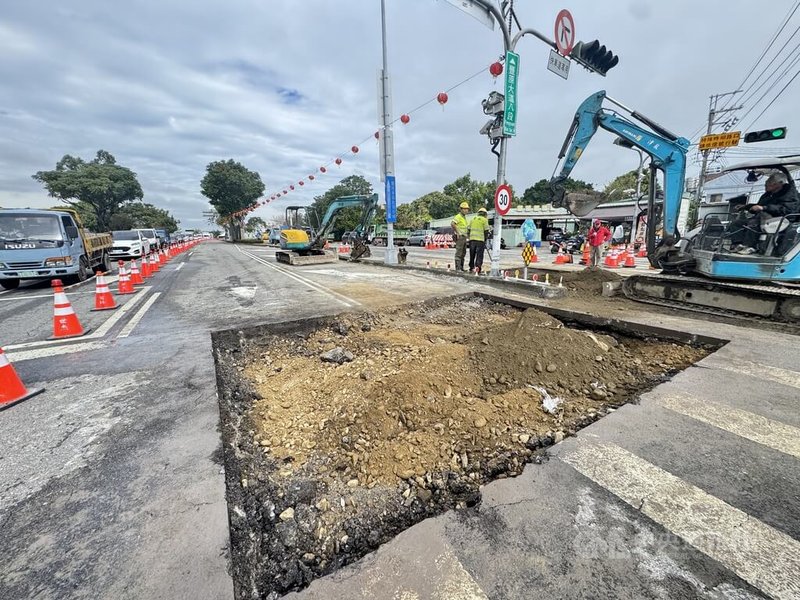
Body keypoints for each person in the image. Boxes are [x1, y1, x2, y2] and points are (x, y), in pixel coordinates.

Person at [729, 172, 800, 254]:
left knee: (754, 222)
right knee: (737, 223)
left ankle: (750, 246)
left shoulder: (790, 195)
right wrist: (746, 206)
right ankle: (737, 245)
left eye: (770, 182)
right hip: (764, 218)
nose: (766, 184)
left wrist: (764, 208)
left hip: (782, 219)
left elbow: (786, 209)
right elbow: (759, 206)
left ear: (779, 183)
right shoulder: (768, 195)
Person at [468, 207, 491, 273]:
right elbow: (486, 231)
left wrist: (470, 237)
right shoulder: (484, 220)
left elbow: (469, 229)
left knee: (472, 254)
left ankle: (471, 267)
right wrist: (485, 239)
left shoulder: (473, 219)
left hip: (472, 240)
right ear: (485, 214)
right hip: (480, 240)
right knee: (479, 255)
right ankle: (478, 268)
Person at [451, 201, 471, 271]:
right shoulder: (458, 216)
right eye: (464, 209)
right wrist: (457, 233)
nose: (466, 210)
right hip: (460, 237)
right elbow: (453, 224)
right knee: (459, 253)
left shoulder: (464, 217)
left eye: (467, 209)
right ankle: (458, 268)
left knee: (463, 253)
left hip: (464, 237)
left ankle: (461, 268)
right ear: (461, 209)